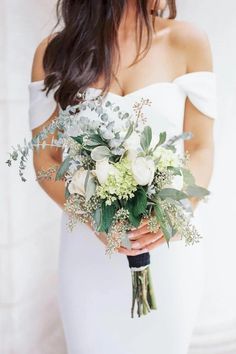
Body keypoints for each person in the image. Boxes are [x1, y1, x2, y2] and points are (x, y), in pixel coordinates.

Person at [29, 0, 217, 353]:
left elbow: (202, 148)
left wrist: (175, 213)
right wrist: (93, 219)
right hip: (89, 251)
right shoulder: (53, 53)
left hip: (167, 250)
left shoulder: (189, 41)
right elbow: (46, 159)